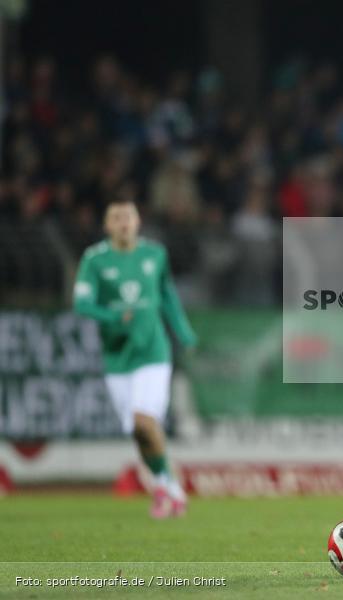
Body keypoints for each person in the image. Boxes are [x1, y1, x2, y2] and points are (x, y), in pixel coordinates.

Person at [73, 198, 197, 518]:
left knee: (145, 420)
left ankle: (167, 487)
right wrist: (114, 317)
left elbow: (167, 295)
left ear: (138, 221)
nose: (124, 222)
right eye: (116, 217)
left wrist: (183, 332)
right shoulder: (95, 259)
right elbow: (82, 304)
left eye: (128, 216)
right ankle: (166, 486)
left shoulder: (154, 255)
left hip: (153, 351)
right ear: (107, 226)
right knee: (138, 431)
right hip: (117, 357)